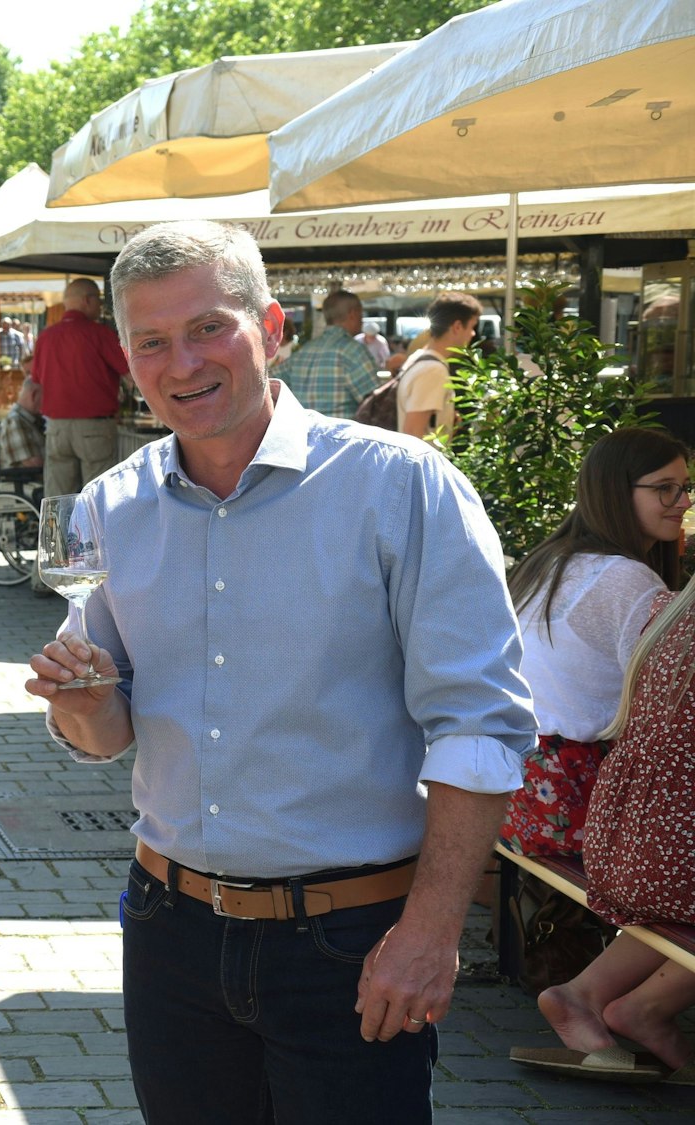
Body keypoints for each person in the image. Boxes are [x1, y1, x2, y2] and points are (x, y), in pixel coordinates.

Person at [27, 220, 536, 1124]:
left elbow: (482, 726)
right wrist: (87, 703)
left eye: (208, 327)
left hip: (350, 940)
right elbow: (105, 736)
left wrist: (431, 930)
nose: (181, 362)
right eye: (151, 341)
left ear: (270, 325)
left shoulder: (400, 486)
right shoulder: (115, 504)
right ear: (126, 356)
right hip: (169, 930)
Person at [514, 576, 695, 1083]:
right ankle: (645, 1009)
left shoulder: (668, 611)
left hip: (622, 846)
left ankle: (585, 995)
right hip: (667, 856)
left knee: (674, 893)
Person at [502, 428, 689, 857]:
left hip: (516, 793)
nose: (684, 503)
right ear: (616, 492)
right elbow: (669, 704)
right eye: (665, 489)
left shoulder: (550, 559)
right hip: (576, 797)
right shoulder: (624, 578)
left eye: (684, 488)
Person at [32, 277, 129, 497]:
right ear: (87, 300)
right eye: (98, 300)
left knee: (57, 498)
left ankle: (56, 533)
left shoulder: (45, 337)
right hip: (93, 428)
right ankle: (93, 534)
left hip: (56, 428)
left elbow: (36, 381)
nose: (100, 306)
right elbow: (131, 373)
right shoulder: (99, 334)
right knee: (97, 498)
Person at [273, 290, 376, 419]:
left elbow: (270, 382)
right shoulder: (353, 351)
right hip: (342, 436)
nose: (362, 320)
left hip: (303, 434)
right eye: (361, 314)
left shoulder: (303, 352)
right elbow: (375, 403)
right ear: (353, 314)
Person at [399, 292, 481, 439]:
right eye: (471, 326)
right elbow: (412, 434)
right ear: (457, 326)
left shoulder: (418, 357)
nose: (473, 334)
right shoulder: (433, 370)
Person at [0, 374, 45, 473]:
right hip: (26, 484)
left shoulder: (31, 419)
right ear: (33, 395)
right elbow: (33, 464)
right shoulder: (14, 422)